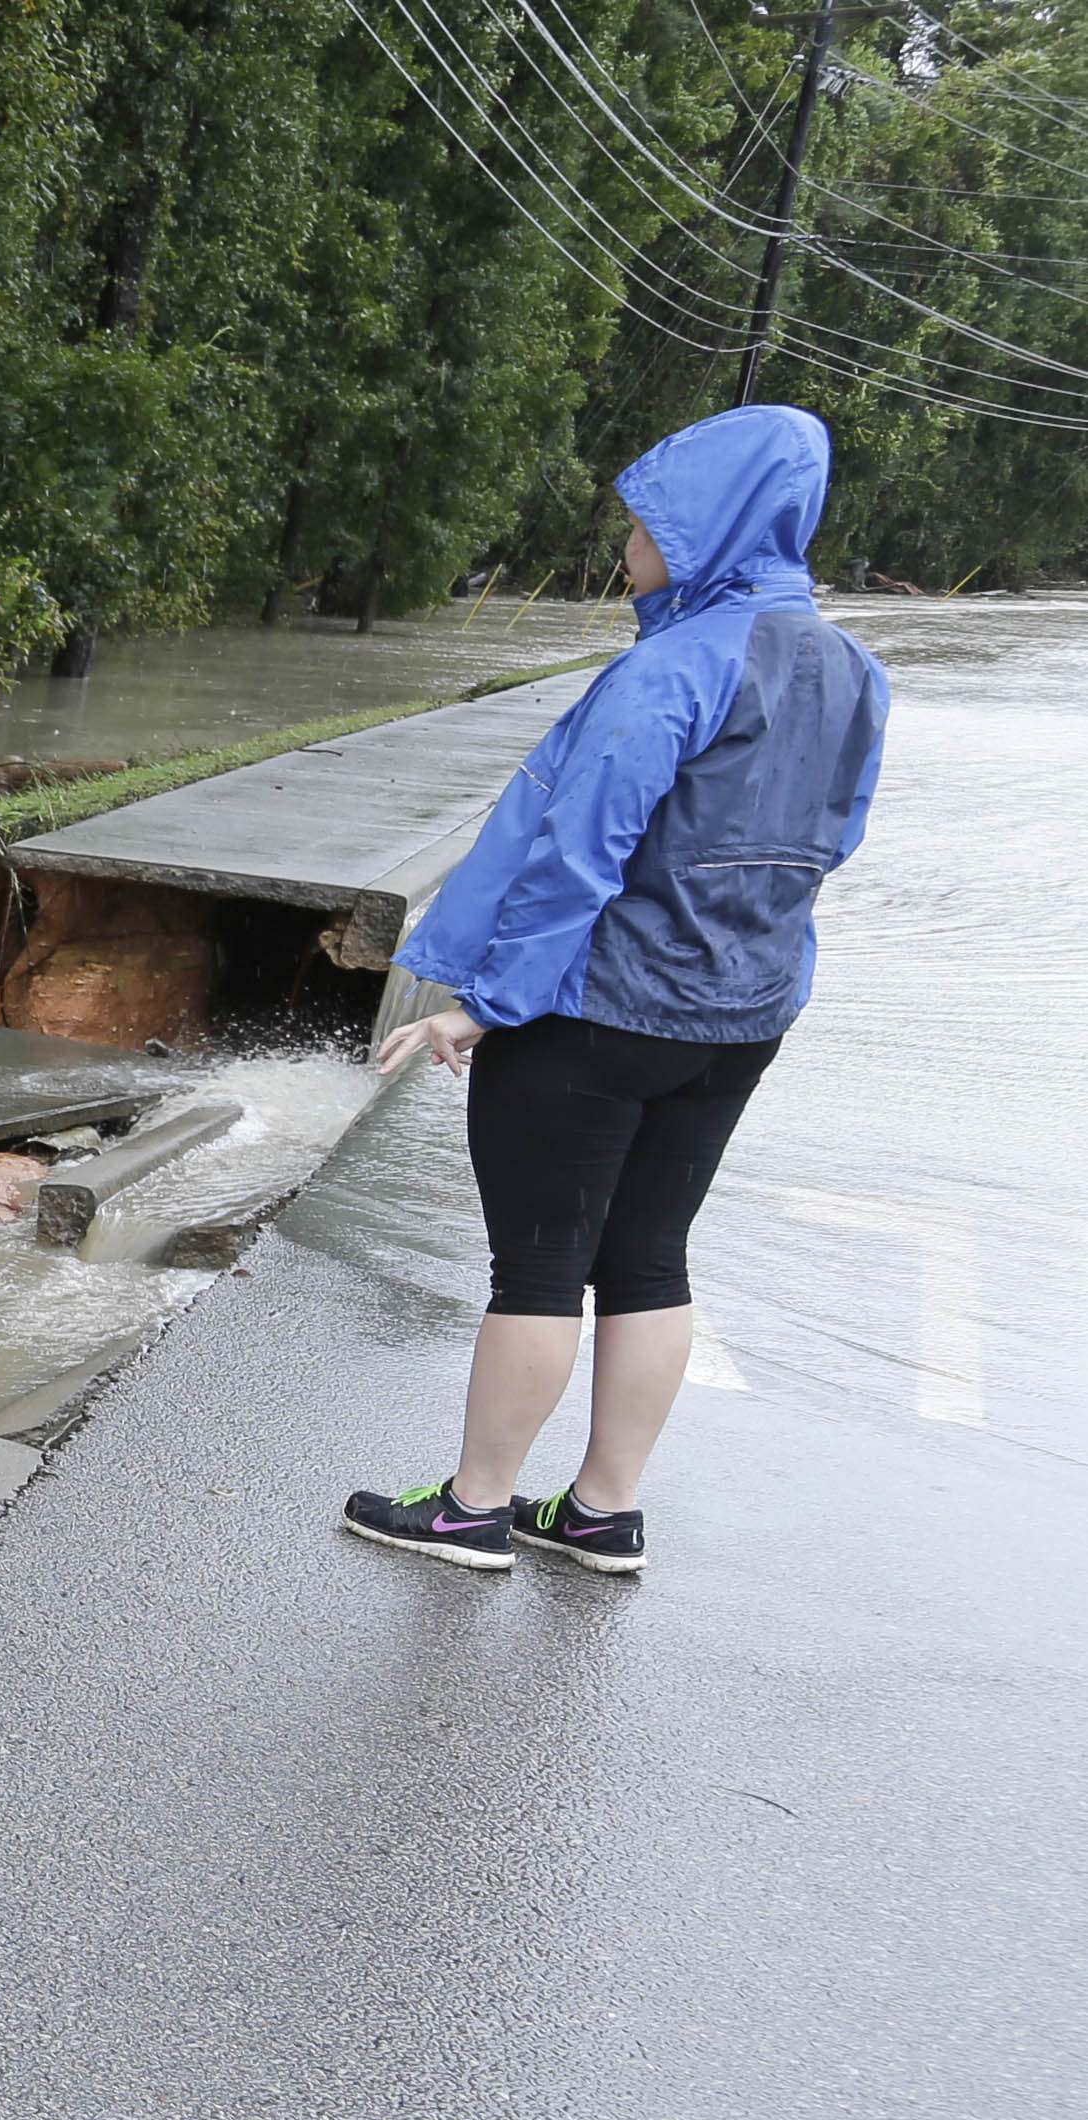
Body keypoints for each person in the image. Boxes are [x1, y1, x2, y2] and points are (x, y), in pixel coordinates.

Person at [343, 404, 889, 1577]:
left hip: (598, 1012)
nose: (630, 542)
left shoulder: (672, 666)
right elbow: (833, 840)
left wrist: (483, 1002)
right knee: (650, 1259)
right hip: (747, 1013)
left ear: (711, 528)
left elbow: (577, 857)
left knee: (539, 1267)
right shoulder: (855, 672)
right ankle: (600, 1511)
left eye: (649, 522)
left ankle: (475, 1507)